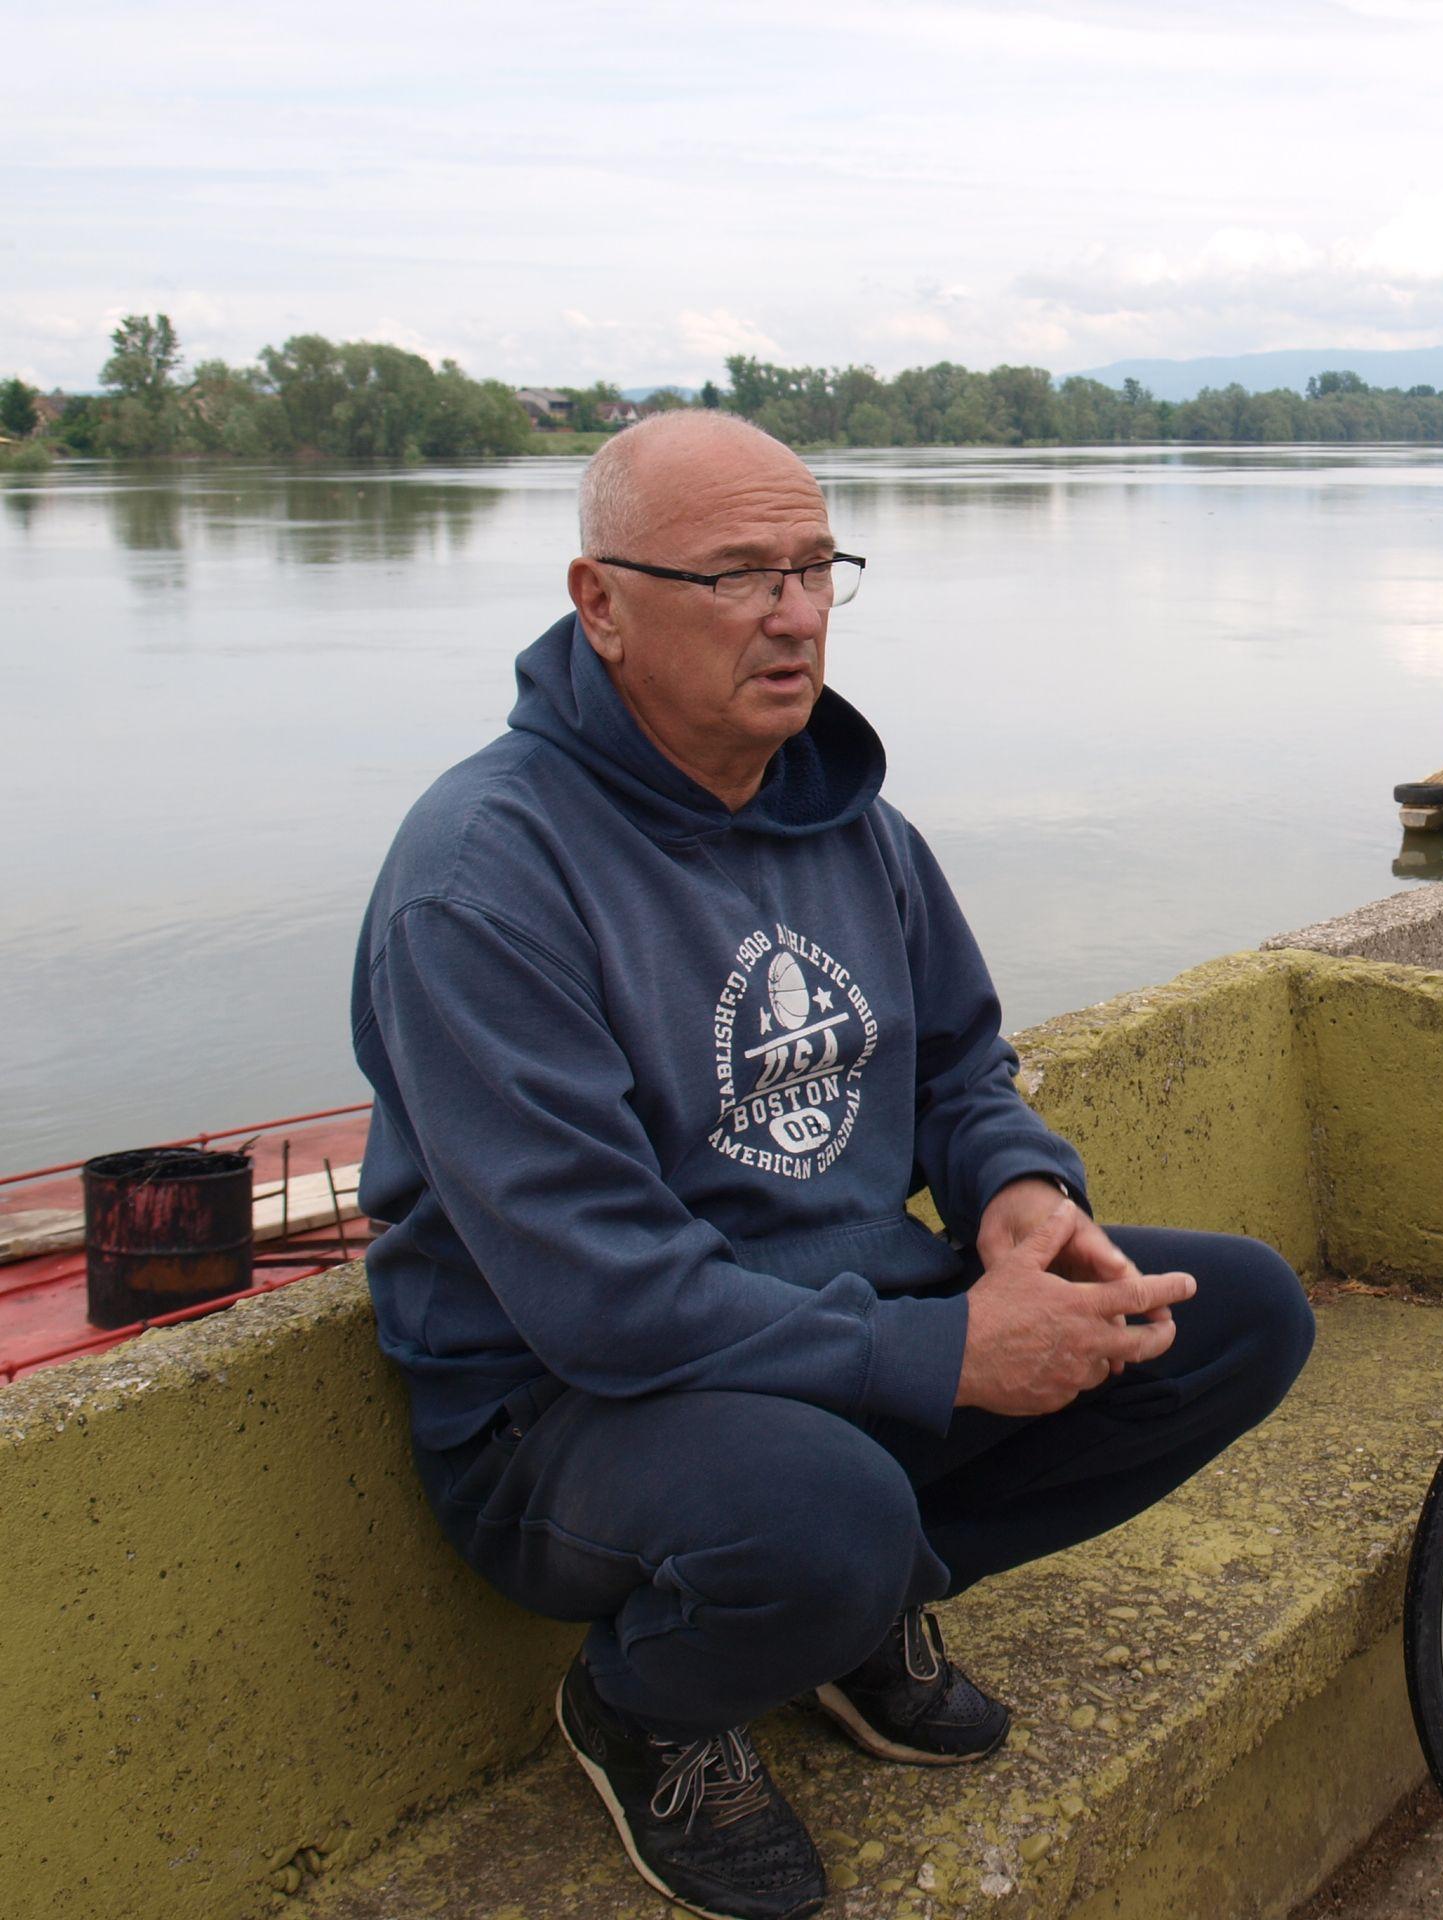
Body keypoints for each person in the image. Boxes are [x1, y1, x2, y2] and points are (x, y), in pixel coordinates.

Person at [350, 410, 1315, 1920]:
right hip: (566, 1414)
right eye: (739, 576)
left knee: (1231, 1315)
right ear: (600, 602)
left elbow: (959, 1069)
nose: (795, 616)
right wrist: (943, 1352)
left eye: (815, 569)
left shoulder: (848, 819)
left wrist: (1019, 1195)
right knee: (825, 1517)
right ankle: (653, 1705)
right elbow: (606, 1296)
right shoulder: (484, 879)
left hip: (835, 1325)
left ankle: (849, 1625)